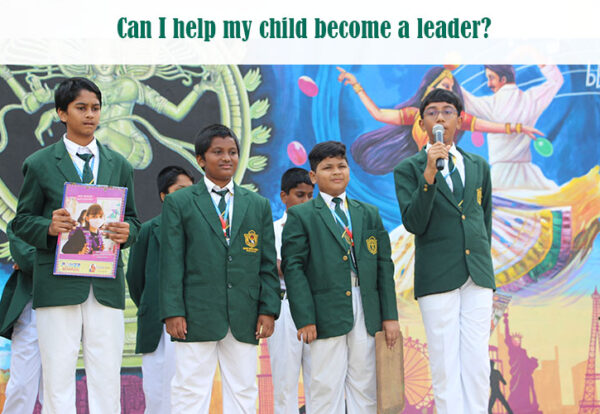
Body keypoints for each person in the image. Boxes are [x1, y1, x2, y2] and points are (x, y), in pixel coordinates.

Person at [12, 77, 140, 414]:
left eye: (95, 108)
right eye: (81, 108)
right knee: (57, 377)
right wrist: (49, 227)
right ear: (61, 113)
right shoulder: (40, 164)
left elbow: (135, 220)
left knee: (107, 376)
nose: (90, 115)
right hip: (57, 285)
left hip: (105, 284)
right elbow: (22, 220)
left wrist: (128, 232)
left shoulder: (119, 164)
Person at [159, 123, 281, 414]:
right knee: (190, 388)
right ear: (201, 159)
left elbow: (266, 263)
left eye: (233, 152)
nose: (227, 158)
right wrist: (173, 311)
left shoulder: (258, 204)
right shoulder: (180, 202)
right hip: (195, 314)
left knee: (243, 388)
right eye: (218, 152)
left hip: (245, 314)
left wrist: (268, 309)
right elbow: (171, 260)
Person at [394, 88, 495, 413]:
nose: (440, 117)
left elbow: (483, 217)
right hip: (437, 276)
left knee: (478, 360)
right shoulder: (408, 169)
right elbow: (414, 222)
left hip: (477, 275)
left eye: (447, 111)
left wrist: (480, 257)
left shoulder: (478, 165)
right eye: (433, 112)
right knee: (444, 361)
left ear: (460, 119)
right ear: (422, 122)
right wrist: (428, 174)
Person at [282, 141, 400, 413]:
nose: (336, 172)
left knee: (366, 384)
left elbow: (384, 265)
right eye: (327, 168)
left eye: (341, 166)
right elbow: (294, 268)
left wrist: (390, 316)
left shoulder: (367, 213)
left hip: (367, 307)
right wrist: (306, 318)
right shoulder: (301, 215)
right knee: (324, 386)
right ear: (313, 176)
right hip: (324, 312)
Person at [336, 66, 541, 175]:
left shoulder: (458, 119)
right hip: (423, 174)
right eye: (443, 85)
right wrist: (357, 86)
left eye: (450, 87)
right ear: (429, 88)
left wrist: (520, 128)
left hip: (450, 173)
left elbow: (488, 126)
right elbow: (379, 114)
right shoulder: (415, 115)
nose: (448, 90)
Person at [126, 165, 194, 414]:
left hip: (194, 321)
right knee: (156, 390)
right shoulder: (147, 231)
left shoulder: (203, 231)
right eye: (180, 190)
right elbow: (135, 278)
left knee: (189, 390)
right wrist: (153, 303)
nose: (188, 195)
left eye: (191, 190)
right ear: (164, 196)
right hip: (157, 321)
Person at [460, 65, 564, 191]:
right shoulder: (530, 100)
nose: (489, 84)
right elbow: (556, 81)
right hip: (528, 176)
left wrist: (448, 77)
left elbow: (464, 98)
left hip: (500, 176)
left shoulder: (491, 105)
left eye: (491, 78)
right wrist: (538, 58)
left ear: (503, 79)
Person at [268, 167, 314, 414]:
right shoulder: (274, 230)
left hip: (318, 307)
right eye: (300, 195)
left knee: (320, 382)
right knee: (285, 383)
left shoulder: (322, 228)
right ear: (284, 196)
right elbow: (275, 267)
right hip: (285, 308)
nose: (306, 201)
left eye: (310, 195)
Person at [0, 220, 42, 413]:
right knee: (21, 385)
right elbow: (28, 259)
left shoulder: (81, 213)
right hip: (31, 307)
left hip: (69, 307)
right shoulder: (22, 222)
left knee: (57, 388)